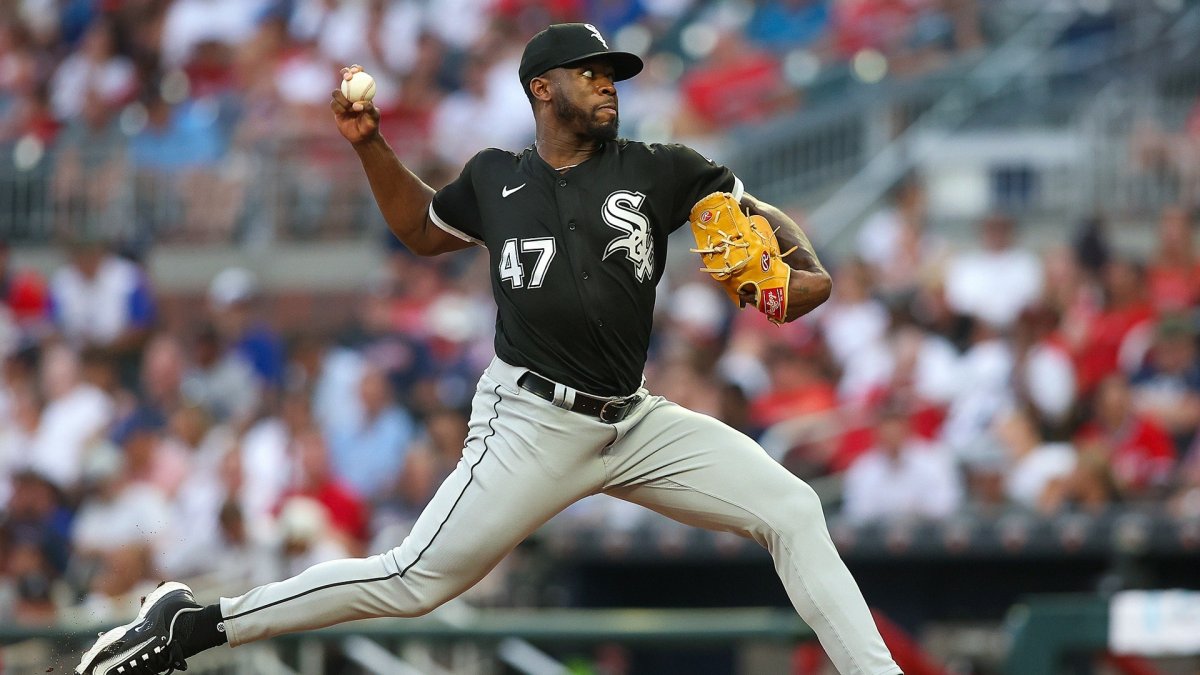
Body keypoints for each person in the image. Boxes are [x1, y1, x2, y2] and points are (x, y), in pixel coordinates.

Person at [76, 23, 902, 675]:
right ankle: (199, 623)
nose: (609, 84)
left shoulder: (660, 168)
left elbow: (757, 217)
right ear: (545, 89)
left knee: (794, 508)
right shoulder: (495, 179)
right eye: (592, 72)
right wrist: (369, 144)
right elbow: (417, 229)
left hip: (636, 420)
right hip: (531, 420)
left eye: (613, 73)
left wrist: (804, 268)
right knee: (411, 579)